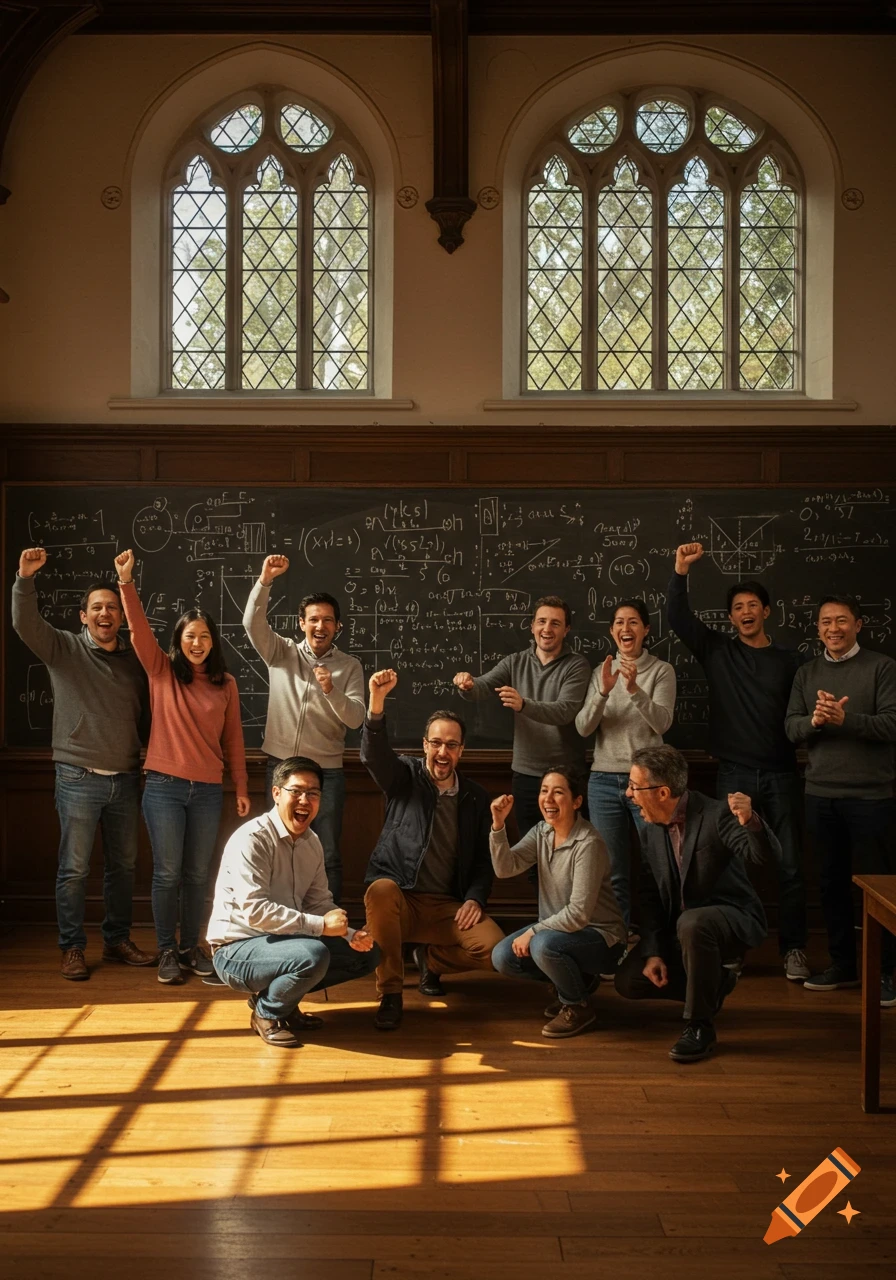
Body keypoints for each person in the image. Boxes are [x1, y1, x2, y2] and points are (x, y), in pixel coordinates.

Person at [667, 542, 809, 981]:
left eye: (753, 605)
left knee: (790, 866)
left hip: (784, 774)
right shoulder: (718, 651)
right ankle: (733, 947)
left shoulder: (793, 661)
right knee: (729, 866)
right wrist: (680, 572)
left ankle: (794, 950)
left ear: (766, 611)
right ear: (730, 618)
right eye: (737, 608)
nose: (745, 612)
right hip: (734, 775)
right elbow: (677, 619)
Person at [12, 547, 154, 981]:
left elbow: (151, 715)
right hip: (77, 776)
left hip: (127, 778)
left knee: (123, 867)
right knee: (73, 868)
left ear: (122, 616)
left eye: (112, 607)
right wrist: (24, 578)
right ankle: (72, 947)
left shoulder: (137, 660)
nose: (105, 613)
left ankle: (116, 940)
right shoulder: (63, 649)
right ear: (83, 616)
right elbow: (24, 622)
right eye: (97, 608)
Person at [114, 548, 249, 986]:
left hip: (208, 790)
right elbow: (136, 631)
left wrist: (241, 786)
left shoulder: (225, 683)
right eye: (190, 636)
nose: (197, 643)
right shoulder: (161, 672)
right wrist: (126, 582)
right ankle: (167, 951)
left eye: (204, 636)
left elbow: (233, 740)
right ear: (179, 640)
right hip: (165, 788)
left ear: (214, 641)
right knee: (167, 873)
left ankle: (192, 947)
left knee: (197, 874)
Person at [361, 668, 504, 1030]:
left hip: (446, 906)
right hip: (401, 897)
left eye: (452, 745)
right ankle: (391, 994)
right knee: (379, 891)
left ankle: (433, 962)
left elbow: (484, 864)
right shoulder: (404, 777)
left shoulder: (475, 797)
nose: (443, 752)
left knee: (494, 949)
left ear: (461, 751)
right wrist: (376, 703)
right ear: (424, 745)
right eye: (436, 743)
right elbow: (374, 756)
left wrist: (475, 898)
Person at [615, 745, 776, 1062]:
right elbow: (650, 899)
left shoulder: (716, 815)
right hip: (683, 931)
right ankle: (714, 983)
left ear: (662, 792)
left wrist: (751, 821)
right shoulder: (649, 830)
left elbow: (764, 859)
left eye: (635, 787)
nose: (628, 795)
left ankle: (700, 1026)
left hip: (729, 920)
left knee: (694, 923)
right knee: (628, 981)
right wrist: (655, 952)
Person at [207, 756, 379, 1048]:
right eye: (296, 791)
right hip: (235, 950)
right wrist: (321, 925)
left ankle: (284, 1003)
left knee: (365, 956)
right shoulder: (252, 839)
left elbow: (318, 902)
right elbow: (256, 913)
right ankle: (267, 1013)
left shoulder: (312, 843)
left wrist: (350, 934)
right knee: (312, 954)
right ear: (276, 793)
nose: (304, 800)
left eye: (313, 794)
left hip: (282, 942)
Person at [785, 594, 896, 1003]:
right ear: (817, 629)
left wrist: (845, 720)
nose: (834, 628)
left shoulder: (882, 668)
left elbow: (892, 724)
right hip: (820, 795)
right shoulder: (807, 673)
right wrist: (814, 721)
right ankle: (844, 965)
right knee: (830, 885)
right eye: (826, 622)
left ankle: (886, 971)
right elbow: (791, 728)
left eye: (842, 621)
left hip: (871, 797)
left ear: (858, 625)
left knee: (877, 888)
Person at [243, 554, 364, 902]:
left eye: (328, 620)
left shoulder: (350, 666)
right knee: (275, 847)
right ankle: (280, 923)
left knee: (328, 854)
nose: (320, 626)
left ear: (338, 627)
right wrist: (264, 581)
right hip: (281, 767)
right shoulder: (281, 653)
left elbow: (355, 717)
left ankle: (329, 928)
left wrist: (330, 690)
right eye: (313, 619)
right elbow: (252, 623)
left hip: (326, 771)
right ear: (301, 623)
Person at [490, 769, 626, 1039]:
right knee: (502, 957)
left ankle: (578, 1006)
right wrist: (498, 826)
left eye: (558, 791)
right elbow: (506, 868)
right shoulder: (542, 832)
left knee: (542, 944)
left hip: (602, 938)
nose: (548, 798)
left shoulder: (588, 843)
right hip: (559, 933)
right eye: (544, 790)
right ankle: (579, 982)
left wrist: (534, 931)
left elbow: (578, 915)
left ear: (576, 802)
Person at [575, 599, 676, 934]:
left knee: (657, 862)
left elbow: (662, 723)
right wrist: (603, 692)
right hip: (604, 780)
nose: (625, 629)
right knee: (612, 867)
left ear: (646, 630)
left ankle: (660, 937)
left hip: (647, 781)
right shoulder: (599, 673)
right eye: (619, 622)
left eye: (633, 622)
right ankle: (616, 939)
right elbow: (583, 727)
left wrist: (633, 690)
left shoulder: (661, 671)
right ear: (612, 631)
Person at [452, 596, 591, 838]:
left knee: (568, 848)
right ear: (532, 626)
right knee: (531, 850)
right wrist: (467, 685)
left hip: (567, 775)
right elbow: (483, 686)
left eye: (555, 623)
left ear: (566, 629)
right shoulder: (515, 662)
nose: (547, 629)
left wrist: (524, 705)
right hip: (526, 775)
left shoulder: (576, 666)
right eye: (542, 621)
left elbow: (565, 711)